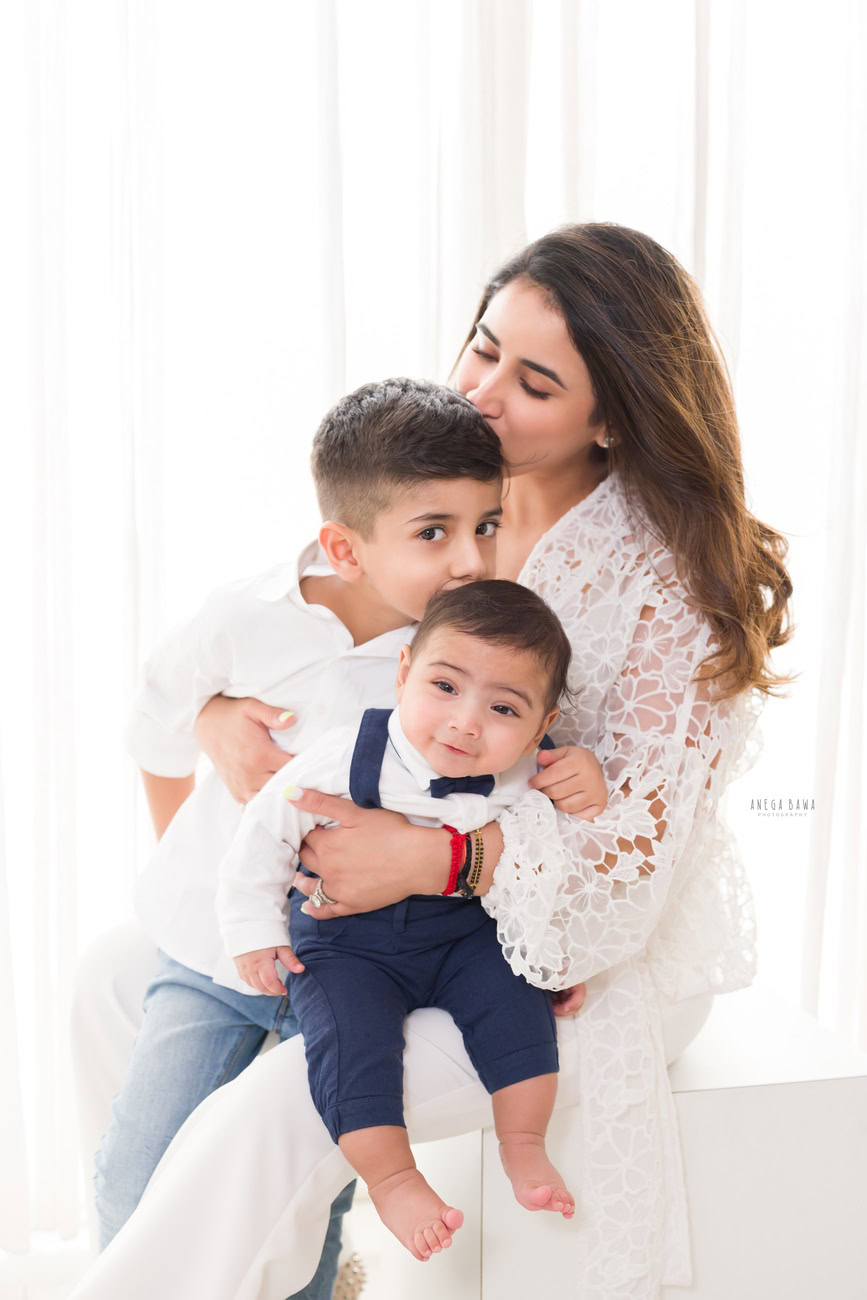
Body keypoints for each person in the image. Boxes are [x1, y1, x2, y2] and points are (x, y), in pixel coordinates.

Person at [70, 223, 793, 1300]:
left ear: (613, 417)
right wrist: (220, 712)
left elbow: (629, 873)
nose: (488, 392)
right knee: (111, 975)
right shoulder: (453, 493)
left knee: (279, 1101)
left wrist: (427, 861)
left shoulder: (665, 583)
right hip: (389, 904)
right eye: (483, 347)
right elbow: (320, 621)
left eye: (535, 380)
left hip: (587, 946)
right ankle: (239, 1266)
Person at [72, 376, 597, 1297]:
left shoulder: (460, 653)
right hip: (215, 951)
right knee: (147, 1164)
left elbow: (510, 771)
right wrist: (205, 761)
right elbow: (152, 727)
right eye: (434, 533)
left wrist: (568, 785)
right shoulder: (244, 620)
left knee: (305, 1183)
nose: (471, 557)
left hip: (356, 960)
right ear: (343, 547)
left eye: (486, 524)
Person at [220, 581, 605, 1260]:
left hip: (463, 934)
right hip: (346, 944)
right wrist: (255, 932)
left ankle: (523, 1145)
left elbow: (564, 856)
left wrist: (556, 953)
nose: (465, 723)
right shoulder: (343, 756)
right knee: (349, 1043)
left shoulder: (521, 774)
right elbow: (263, 834)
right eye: (445, 687)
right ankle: (393, 1178)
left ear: (540, 727)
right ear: (403, 673)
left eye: (503, 708)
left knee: (519, 1008)